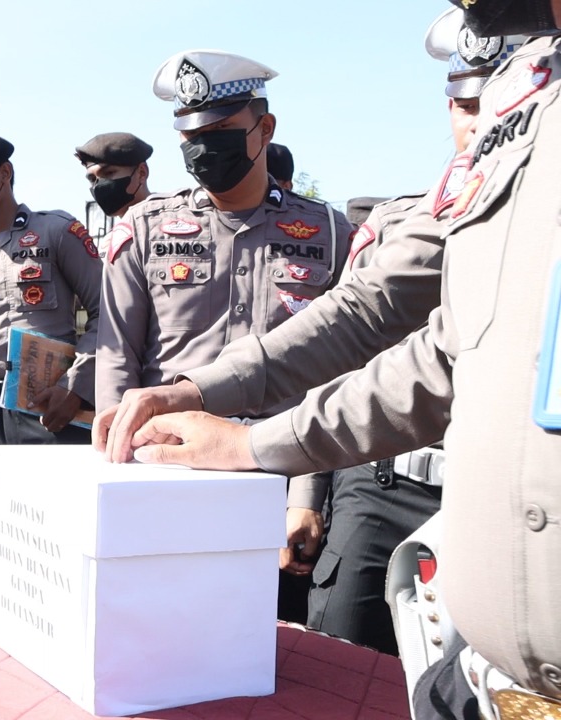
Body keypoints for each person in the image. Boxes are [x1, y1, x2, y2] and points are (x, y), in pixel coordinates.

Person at [120, 1, 561, 715]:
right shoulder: (522, 129)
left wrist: (268, 453)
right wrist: (199, 390)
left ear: (264, 130)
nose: (474, 115)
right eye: (463, 100)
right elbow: (394, 322)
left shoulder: (321, 225)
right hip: (485, 678)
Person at [270, 8, 526, 655]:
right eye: (464, 102)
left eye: (501, 92)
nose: (482, 119)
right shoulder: (399, 226)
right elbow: (348, 344)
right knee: (339, 668)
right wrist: (309, 493)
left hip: (494, 498)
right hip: (379, 488)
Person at [95, 49, 352, 414]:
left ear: (265, 129)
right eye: (191, 133)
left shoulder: (330, 232)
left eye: (220, 131)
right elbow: (117, 357)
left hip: (287, 452)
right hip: (172, 449)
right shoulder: (144, 229)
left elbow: (348, 352)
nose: (203, 148)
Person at [0, 131, 102, 443]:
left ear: (4, 173)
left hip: (50, 407)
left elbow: (107, 311)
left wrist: (76, 386)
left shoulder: (56, 231)